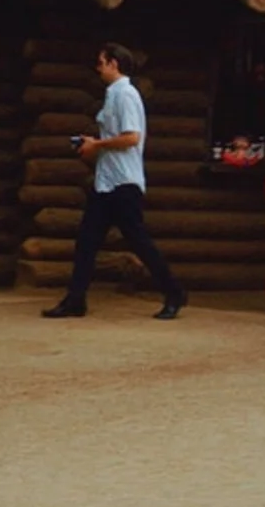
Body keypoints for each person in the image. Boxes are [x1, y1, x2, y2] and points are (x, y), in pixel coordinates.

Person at [42, 41, 185, 320]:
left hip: (124, 183)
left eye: (100, 62)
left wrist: (97, 145)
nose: (98, 68)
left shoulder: (126, 94)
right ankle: (76, 299)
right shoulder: (112, 95)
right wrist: (94, 145)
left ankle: (174, 291)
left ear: (113, 63)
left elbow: (132, 137)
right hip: (106, 182)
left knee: (139, 241)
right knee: (86, 240)